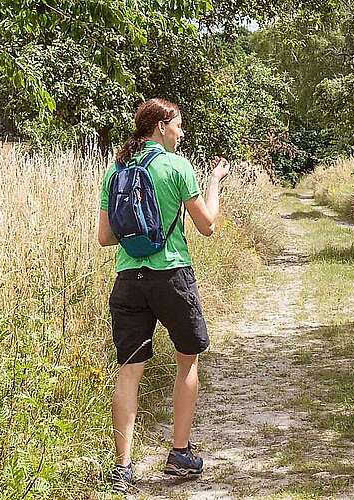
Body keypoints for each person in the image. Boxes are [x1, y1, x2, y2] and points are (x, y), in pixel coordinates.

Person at [97, 98, 230, 492]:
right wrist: (214, 182)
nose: (181, 133)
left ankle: (123, 467)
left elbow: (104, 237)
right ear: (160, 127)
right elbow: (207, 225)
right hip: (171, 276)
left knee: (128, 370)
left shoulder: (117, 168)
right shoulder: (176, 166)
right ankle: (180, 454)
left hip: (128, 278)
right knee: (187, 360)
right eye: (178, 125)